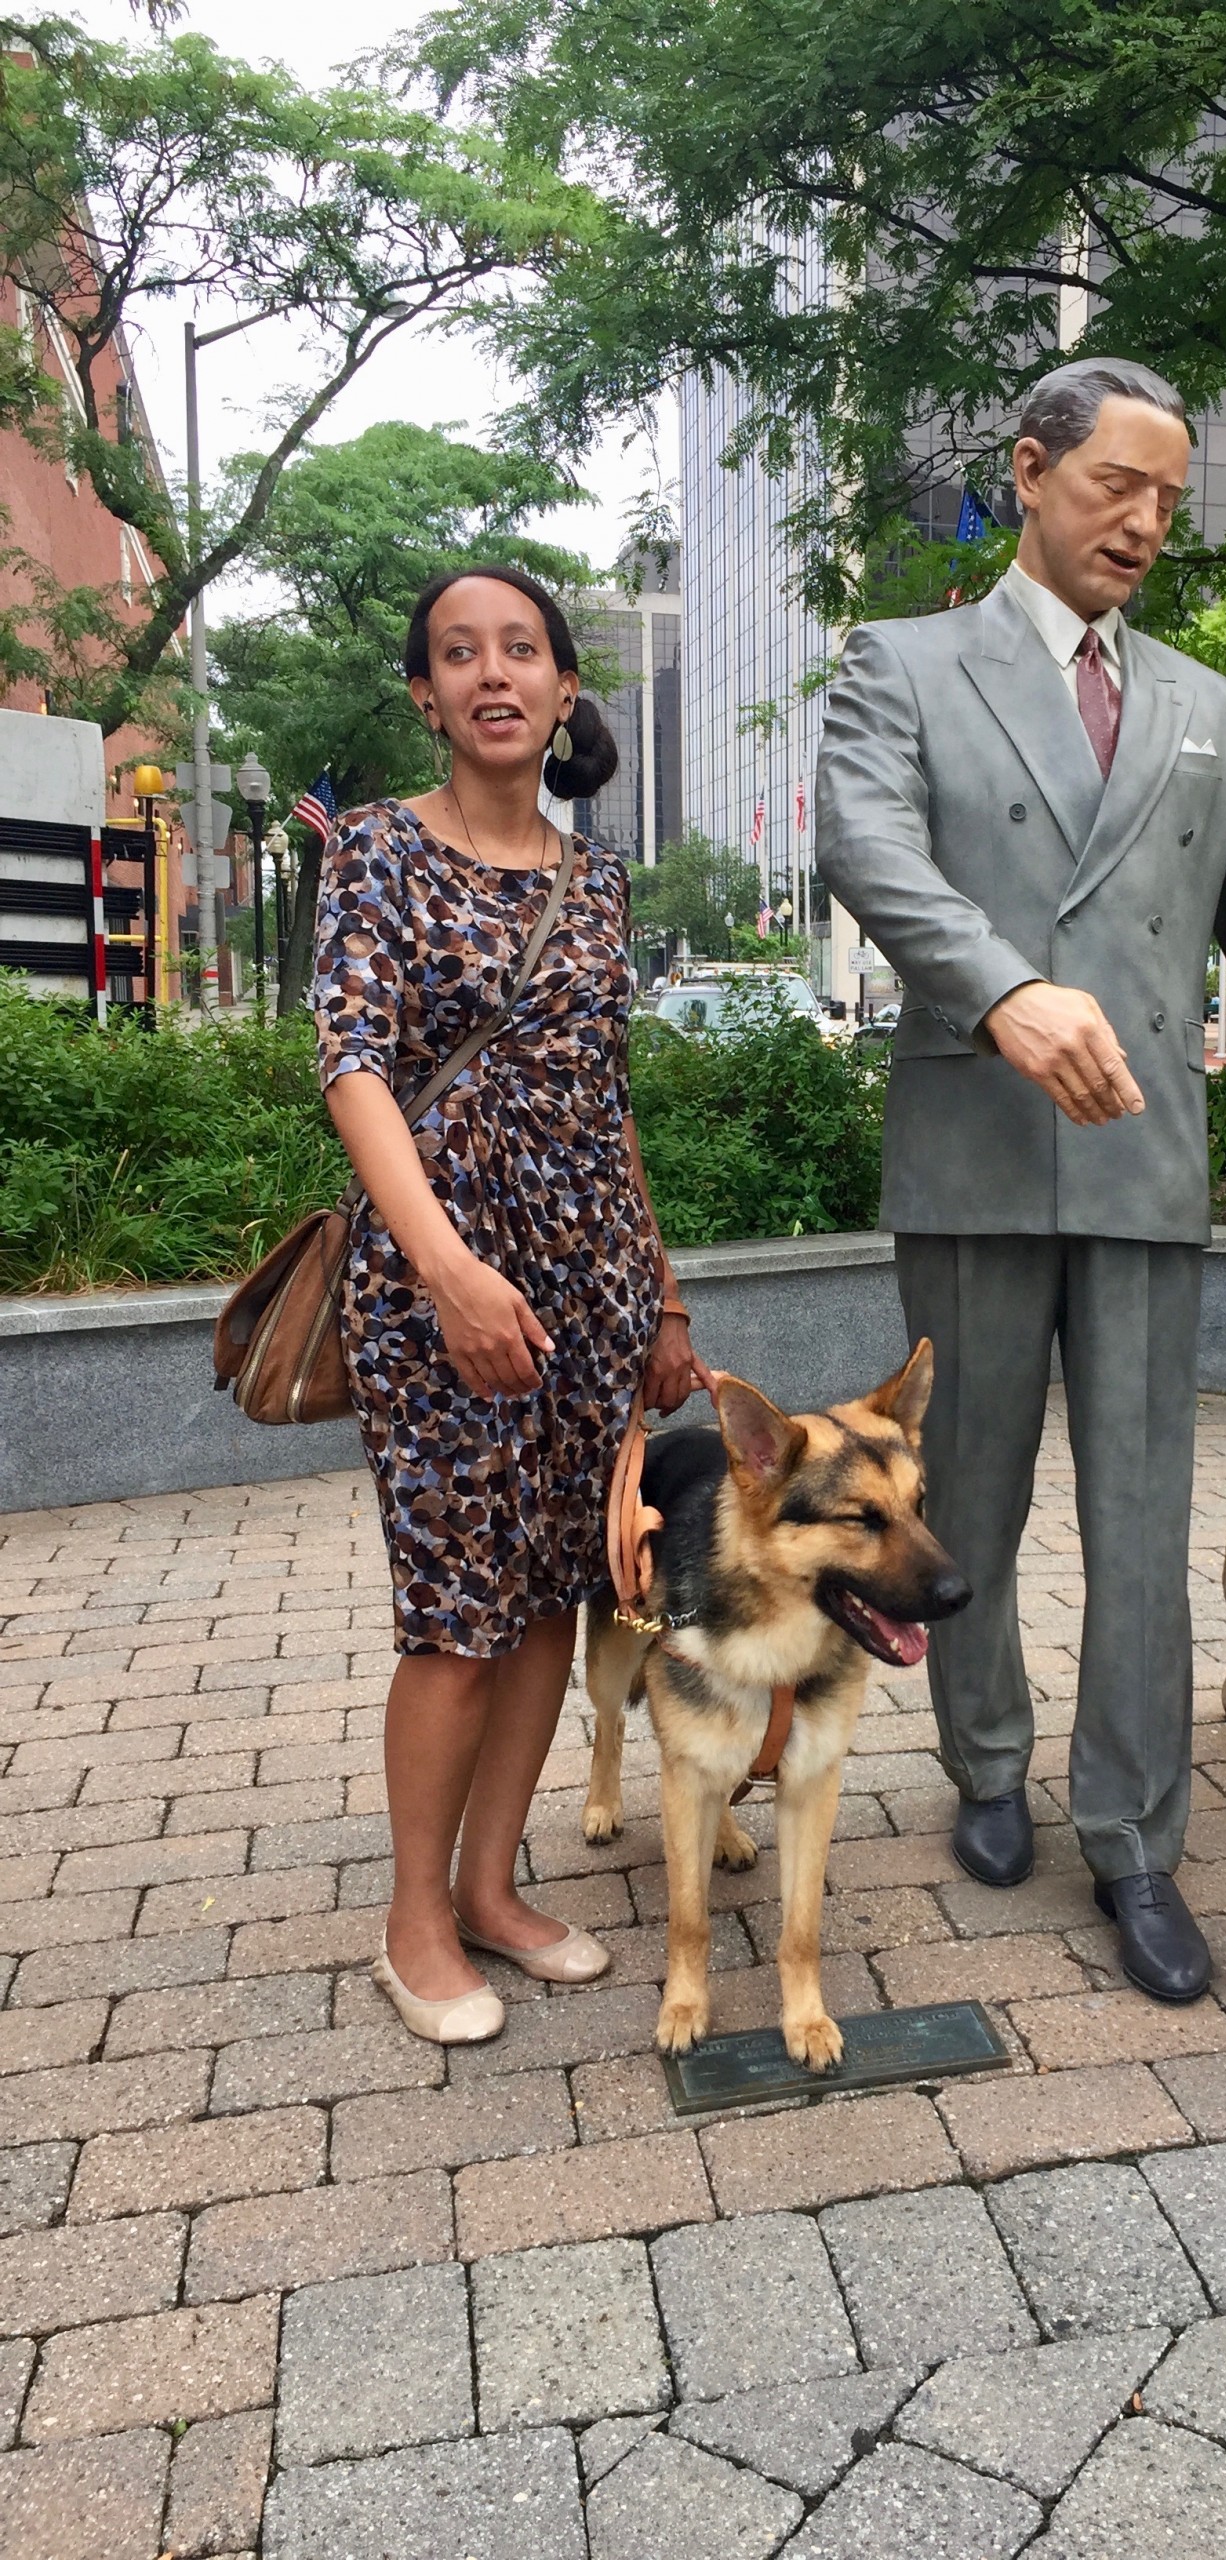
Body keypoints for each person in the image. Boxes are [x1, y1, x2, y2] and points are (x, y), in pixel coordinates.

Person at [816, 358, 1226, 2003]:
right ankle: (987, 1761)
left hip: (1145, 1163)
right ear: (1030, 473)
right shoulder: (903, 665)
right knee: (966, 1502)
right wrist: (1002, 990)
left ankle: (1138, 1836)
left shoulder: (1210, 710)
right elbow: (864, 847)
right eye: (1112, 488)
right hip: (975, 1148)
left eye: (1167, 497)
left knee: (1143, 1522)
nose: (1144, 523)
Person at [312, 565, 710, 2045]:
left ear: (560, 690)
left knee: (555, 1596)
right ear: (426, 695)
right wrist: (447, 1268)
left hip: (592, 1294)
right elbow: (353, 1067)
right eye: (460, 654)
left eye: (523, 650)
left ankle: (493, 1885)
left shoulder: (598, 883)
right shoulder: (372, 857)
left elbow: (605, 1111)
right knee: (457, 1618)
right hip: (439, 1297)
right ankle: (413, 1918)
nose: (493, 673)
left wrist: (660, 1299)